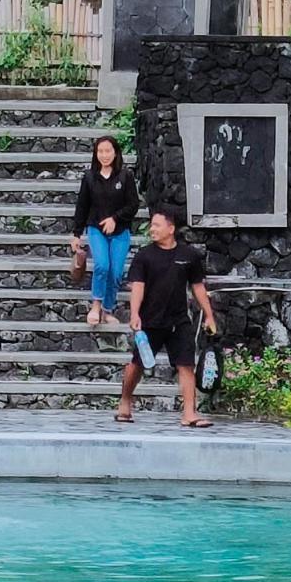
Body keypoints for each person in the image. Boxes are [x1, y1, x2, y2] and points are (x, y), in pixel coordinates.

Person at [116, 205, 217, 428]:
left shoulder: (188, 255)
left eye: (157, 225)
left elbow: (198, 287)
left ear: (171, 228)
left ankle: (189, 413)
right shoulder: (145, 256)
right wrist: (134, 314)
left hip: (179, 320)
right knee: (137, 365)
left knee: (186, 365)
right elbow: (138, 287)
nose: (152, 229)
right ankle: (125, 401)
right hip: (150, 321)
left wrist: (209, 315)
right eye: (152, 225)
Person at [70, 136, 139, 326]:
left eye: (108, 151)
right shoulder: (90, 177)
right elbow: (82, 206)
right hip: (96, 229)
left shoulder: (125, 176)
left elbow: (133, 205)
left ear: (115, 152)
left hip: (120, 231)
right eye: (100, 151)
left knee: (116, 272)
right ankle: (96, 305)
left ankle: (107, 310)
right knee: (102, 265)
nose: (104, 155)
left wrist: (115, 219)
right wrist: (76, 234)